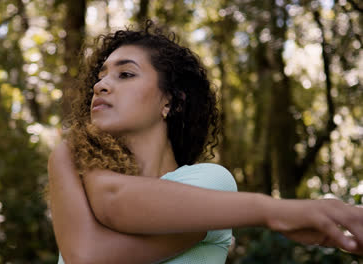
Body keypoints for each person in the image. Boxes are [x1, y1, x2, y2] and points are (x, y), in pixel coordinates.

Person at [47, 21, 363, 263]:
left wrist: (273, 211)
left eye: (125, 74)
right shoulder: (70, 164)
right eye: (100, 76)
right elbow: (87, 251)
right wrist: (273, 211)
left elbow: (105, 221)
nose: (101, 85)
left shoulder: (208, 182)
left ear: (171, 102)